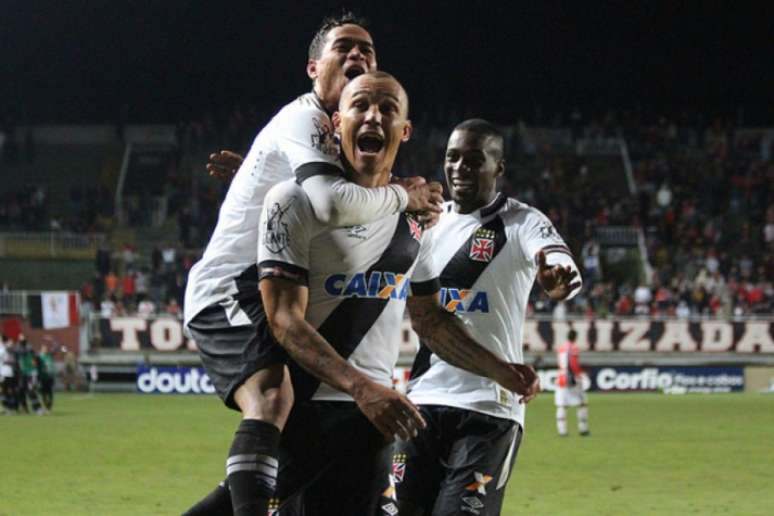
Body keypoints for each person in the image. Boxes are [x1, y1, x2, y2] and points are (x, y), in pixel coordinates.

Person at [182, 13, 442, 516]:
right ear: (312, 67)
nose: (358, 56)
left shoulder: (327, 137)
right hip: (229, 289)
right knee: (272, 398)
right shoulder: (303, 119)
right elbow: (327, 202)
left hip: (294, 309)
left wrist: (250, 172)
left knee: (293, 455)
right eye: (344, 48)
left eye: (367, 50)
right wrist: (402, 196)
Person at [253, 73, 536, 516]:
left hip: (373, 425)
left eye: (388, 109)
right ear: (335, 122)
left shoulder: (414, 220)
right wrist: (363, 388)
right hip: (300, 415)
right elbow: (284, 319)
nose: (374, 117)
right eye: (361, 105)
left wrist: (500, 370)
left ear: (404, 131)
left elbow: (429, 320)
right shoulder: (292, 200)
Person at [393, 119, 582, 515]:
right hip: (422, 401)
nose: (460, 167)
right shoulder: (427, 223)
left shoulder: (522, 222)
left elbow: (557, 263)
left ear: (499, 167)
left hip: (489, 407)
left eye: (475, 159)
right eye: (453, 157)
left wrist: (558, 279)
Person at [555, 329, 590, 436]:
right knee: (582, 403)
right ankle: (583, 429)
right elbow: (572, 363)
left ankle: (562, 430)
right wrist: (578, 374)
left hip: (561, 377)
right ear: (575, 337)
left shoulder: (561, 348)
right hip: (571, 378)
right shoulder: (573, 348)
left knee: (562, 405)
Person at [37, 343, 56, 411]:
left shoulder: (49, 355)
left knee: (50, 392)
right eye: (44, 349)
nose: (45, 350)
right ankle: (45, 406)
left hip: (49, 376)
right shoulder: (39, 357)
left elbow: (55, 349)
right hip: (42, 377)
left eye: (46, 349)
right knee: (43, 392)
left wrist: (54, 342)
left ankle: (49, 405)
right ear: (41, 350)